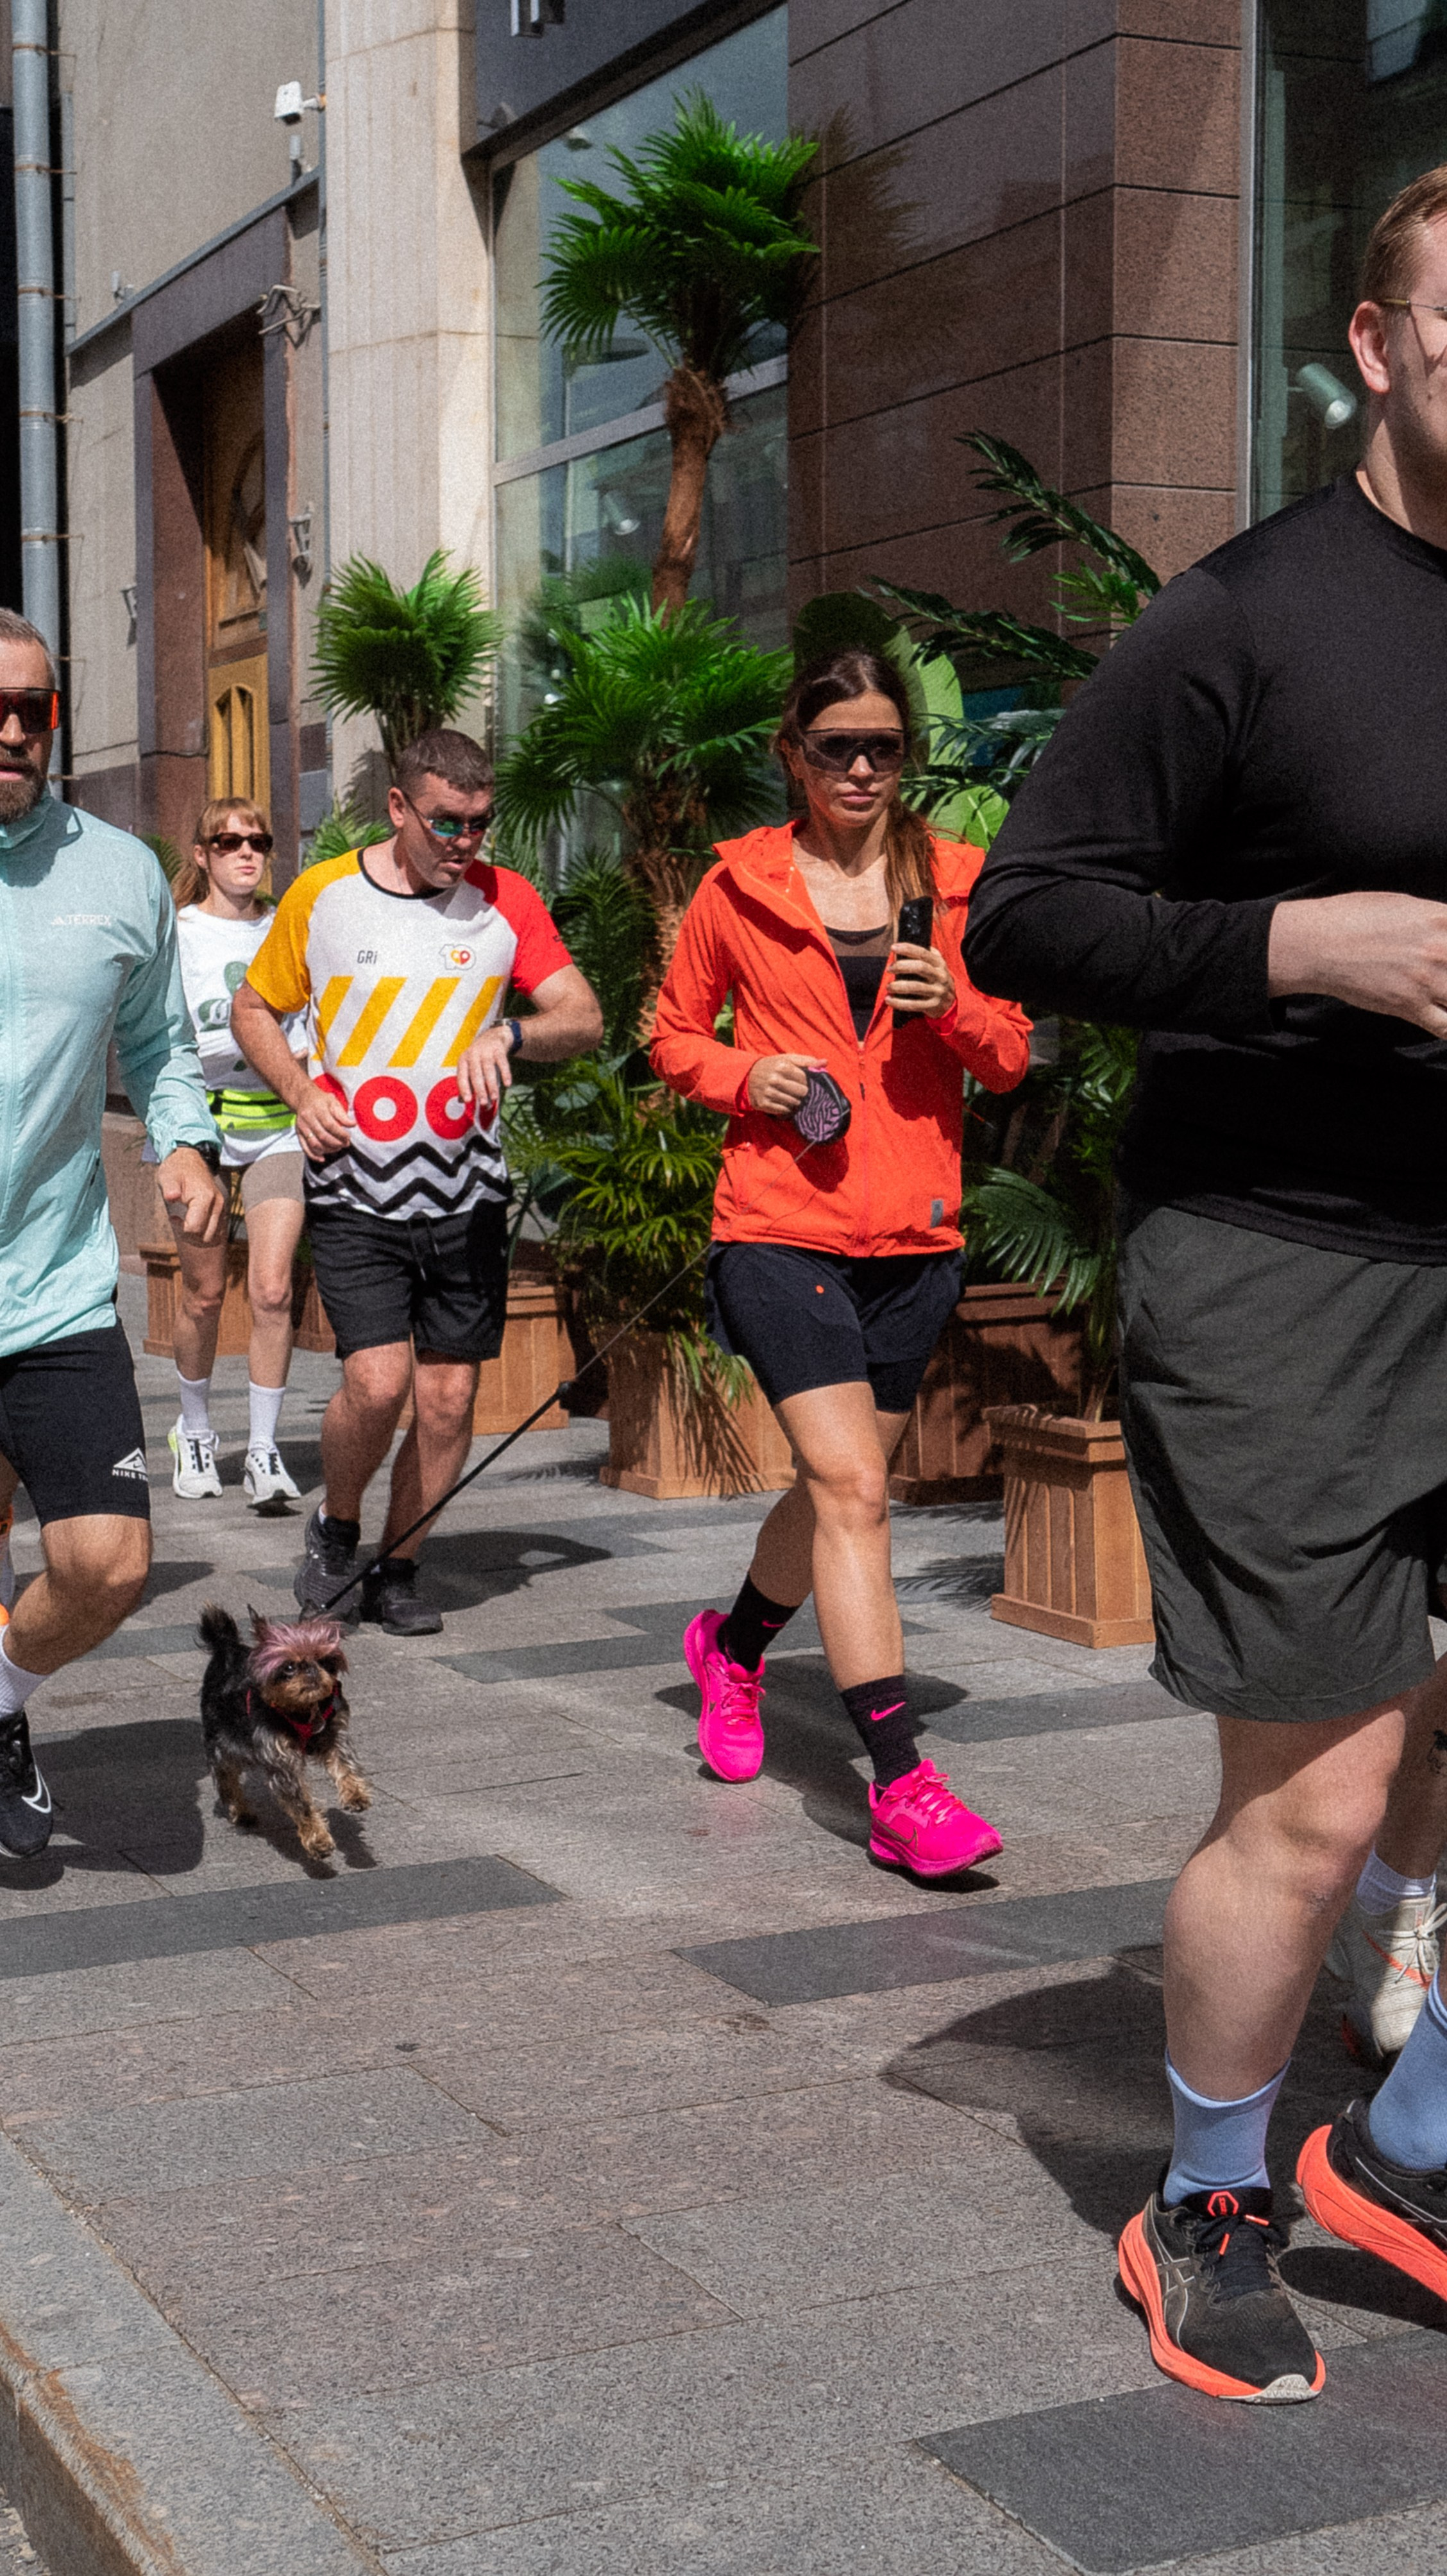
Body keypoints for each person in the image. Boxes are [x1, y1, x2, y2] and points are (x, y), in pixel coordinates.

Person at [963, 164, 1447, 2404]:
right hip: (1279, 1262)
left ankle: (1411, 2134)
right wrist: (1286, 943)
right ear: (1372, 346)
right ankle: (1213, 2199)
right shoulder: (1241, 621)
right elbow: (1026, 918)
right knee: (1318, 1792)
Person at [651, 649, 1031, 1875]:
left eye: (881, 747)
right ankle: (902, 1784)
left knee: (836, 1487)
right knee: (857, 1491)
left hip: (912, 1238)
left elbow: (1015, 1056)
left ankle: (736, 1646)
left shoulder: (964, 889)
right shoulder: (740, 888)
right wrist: (737, 1074)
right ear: (793, 756)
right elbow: (669, 1035)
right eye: (836, 749)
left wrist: (954, 1010)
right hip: (774, 1224)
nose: (861, 768)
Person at [233, 728, 603, 1636]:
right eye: (445, 822)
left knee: (448, 1399)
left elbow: (583, 1016)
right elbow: (254, 1007)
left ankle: (399, 1566)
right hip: (356, 1187)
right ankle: (337, 1526)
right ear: (398, 807)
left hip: (468, 1191)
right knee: (378, 1383)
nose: (464, 841)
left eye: (479, 823)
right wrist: (299, 1093)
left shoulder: (506, 901)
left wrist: (512, 1035)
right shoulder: (324, 897)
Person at [0, 609, 224, 1857]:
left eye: (36, 707)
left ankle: (1, 1698)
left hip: (58, 1290)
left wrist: (183, 1138)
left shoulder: (122, 872)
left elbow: (159, 1045)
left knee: (107, 1564)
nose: (16, 729)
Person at [163, 797, 309, 1511]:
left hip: (280, 1122)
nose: (246, 852)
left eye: (259, 840)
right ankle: (193, 1430)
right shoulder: (179, 932)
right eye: (228, 840)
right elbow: (160, 1033)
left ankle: (262, 1449)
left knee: (275, 1288)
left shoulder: (290, 925)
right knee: (205, 1291)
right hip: (203, 1127)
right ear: (202, 853)